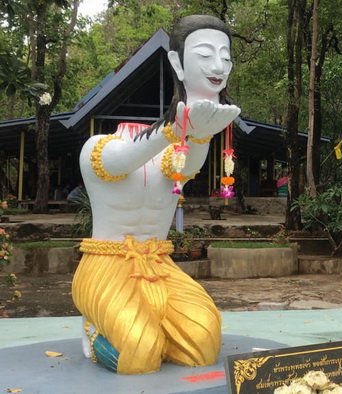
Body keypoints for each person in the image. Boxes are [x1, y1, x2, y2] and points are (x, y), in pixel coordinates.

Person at [71, 15, 241, 375]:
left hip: (160, 266)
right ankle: (95, 326)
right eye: (206, 54)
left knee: (204, 343)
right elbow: (123, 161)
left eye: (225, 56)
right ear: (177, 62)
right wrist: (173, 129)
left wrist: (197, 132)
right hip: (106, 267)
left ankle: (152, 328)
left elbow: (189, 157)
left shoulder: (173, 158)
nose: (219, 65)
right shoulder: (99, 148)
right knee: (140, 353)